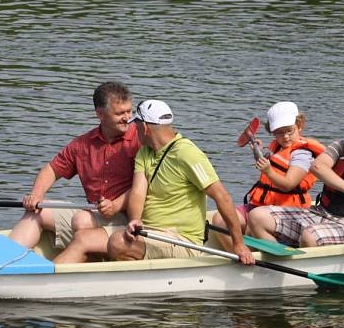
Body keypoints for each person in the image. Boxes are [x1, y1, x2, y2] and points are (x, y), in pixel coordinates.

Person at [106, 99, 254, 265]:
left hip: (183, 240)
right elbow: (138, 193)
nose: (134, 129)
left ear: (145, 127)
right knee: (92, 236)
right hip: (150, 231)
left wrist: (239, 245)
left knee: (117, 243)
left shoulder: (187, 154)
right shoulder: (144, 152)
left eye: (137, 124)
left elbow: (222, 197)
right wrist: (135, 219)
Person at [8, 81, 140, 263]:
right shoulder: (82, 144)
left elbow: (145, 186)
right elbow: (51, 170)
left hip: (130, 220)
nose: (127, 118)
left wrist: (116, 205)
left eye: (129, 111)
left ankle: (85, 267)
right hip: (96, 213)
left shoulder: (140, 141)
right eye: (120, 113)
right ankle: (3, 261)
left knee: (82, 220)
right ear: (100, 114)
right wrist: (36, 196)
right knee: (38, 210)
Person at [247, 111, 344, 265]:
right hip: (321, 213)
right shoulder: (341, 148)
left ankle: (297, 269)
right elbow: (317, 167)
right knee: (257, 217)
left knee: (310, 235)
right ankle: (281, 266)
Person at [210, 101, 325, 249]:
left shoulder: (302, 153)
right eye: (279, 132)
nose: (285, 137)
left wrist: (268, 171)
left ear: (299, 125)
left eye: (289, 131)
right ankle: (240, 256)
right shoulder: (277, 147)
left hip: (287, 211)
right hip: (260, 206)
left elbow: (288, 184)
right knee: (220, 219)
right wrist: (257, 152)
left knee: (254, 221)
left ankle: (259, 260)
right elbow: (270, 169)